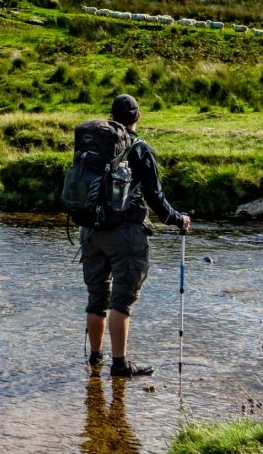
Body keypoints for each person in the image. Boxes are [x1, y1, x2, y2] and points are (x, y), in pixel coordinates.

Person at [80, 94, 190, 378]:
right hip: (126, 235)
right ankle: (119, 365)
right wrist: (178, 220)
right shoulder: (139, 148)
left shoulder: (93, 145)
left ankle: (95, 358)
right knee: (121, 301)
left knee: (96, 296)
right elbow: (155, 197)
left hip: (90, 230)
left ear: (111, 115)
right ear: (137, 116)